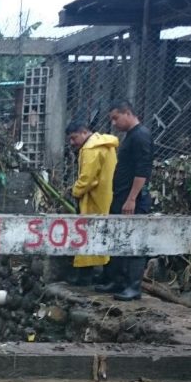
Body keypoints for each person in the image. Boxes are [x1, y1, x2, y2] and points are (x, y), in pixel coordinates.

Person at [95, 100, 152, 300]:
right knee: (116, 238)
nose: (113, 123)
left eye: (115, 118)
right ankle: (117, 280)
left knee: (134, 240)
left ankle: (134, 286)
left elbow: (142, 170)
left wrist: (132, 199)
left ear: (127, 113)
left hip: (133, 199)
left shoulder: (141, 136)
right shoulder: (130, 136)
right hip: (121, 196)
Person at [65, 120, 117, 285]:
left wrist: (75, 191)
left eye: (74, 138)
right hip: (106, 195)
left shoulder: (89, 149)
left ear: (83, 133)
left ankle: (84, 277)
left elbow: (87, 179)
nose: (73, 143)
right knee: (105, 235)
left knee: (86, 235)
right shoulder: (106, 144)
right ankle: (106, 275)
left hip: (93, 198)